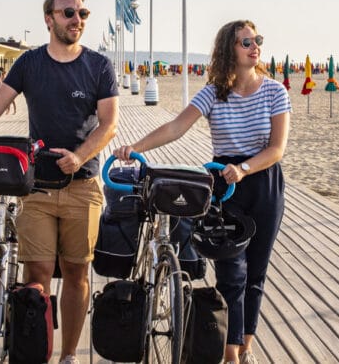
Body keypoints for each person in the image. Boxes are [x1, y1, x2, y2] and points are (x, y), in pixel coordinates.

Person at [0, 0, 119, 364]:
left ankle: (69, 354)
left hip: (82, 184)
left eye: (83, 14)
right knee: (36, 274)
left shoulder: (99, 66)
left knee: (76, 274)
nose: (77, 20)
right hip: (35, 185)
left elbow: (109, 124)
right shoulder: (30, 63)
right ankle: (35, 350)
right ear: (49, 19)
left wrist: (81, 154)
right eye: (69, 13)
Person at [113, 20, 291, 364]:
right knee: (230, 271)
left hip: (263, 182)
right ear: (229, 49)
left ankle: (244, 347)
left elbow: (277, 149)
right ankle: (230, 353)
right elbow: (177, 126)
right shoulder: (213, 92)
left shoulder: (274, 91)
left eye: (258, 41)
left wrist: (245, 168)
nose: (255, 47)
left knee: (255, 272)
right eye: (246, 42)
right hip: (224, 187)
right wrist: (135, 147)